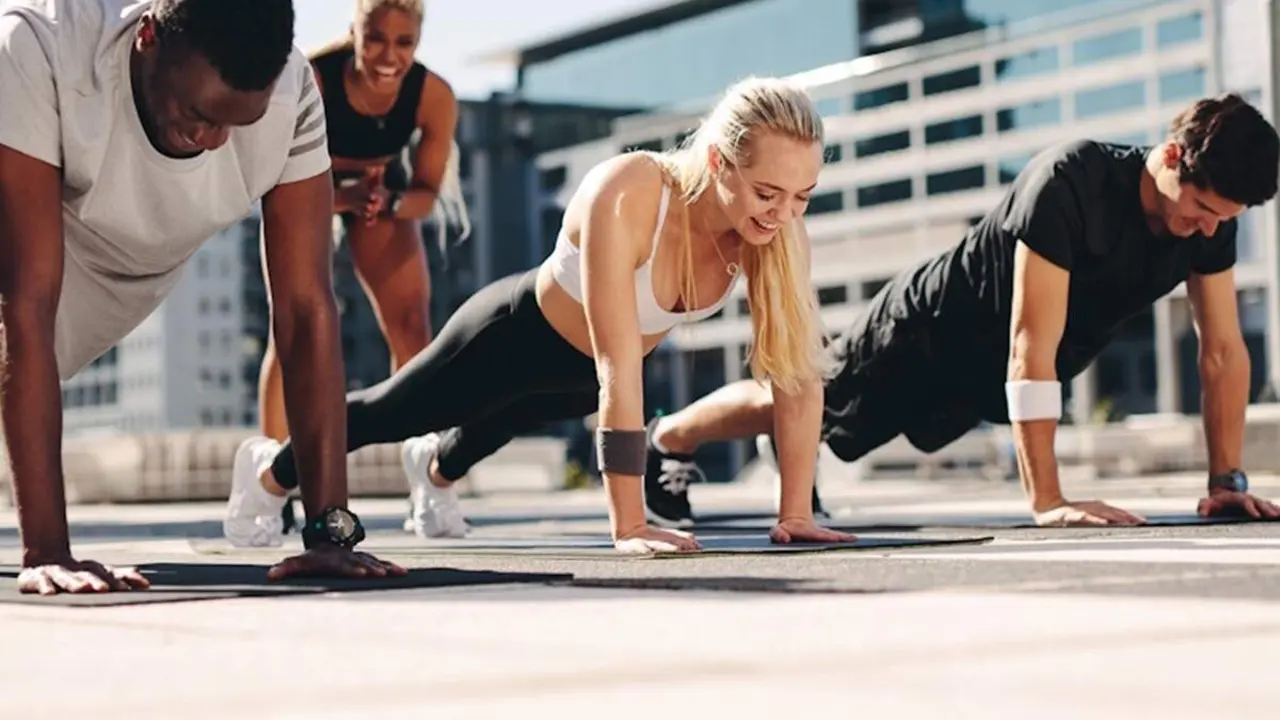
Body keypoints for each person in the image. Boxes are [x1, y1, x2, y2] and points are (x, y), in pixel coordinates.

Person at [223, 76, 858, 553]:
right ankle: (268, 473)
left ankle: (433, 471)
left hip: (582, 383)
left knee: (494, 429)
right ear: (719, 161)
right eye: (767, 192)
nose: (782, 212)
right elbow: (619, 365)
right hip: (514, 336)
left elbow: (798, 375)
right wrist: (629, 525)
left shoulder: (776, 233)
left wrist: (794, 513)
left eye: (802, 196)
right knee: (394, 411)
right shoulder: (632, 192)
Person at [641, 92, 1280, 528]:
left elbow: (1221, 351)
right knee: (816, 401)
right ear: (1172, 157)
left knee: (825, 425)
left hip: (991, 375)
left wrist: (1228, 481)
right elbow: (1032, 339)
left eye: (1221, 221)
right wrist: (1049, 500)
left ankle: (782, 448)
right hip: (928, 331)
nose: (1205, 231)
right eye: (1202, 211)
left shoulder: (1208, 226)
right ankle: (670, 438)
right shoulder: (1072, 182)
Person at [0, 0, 404, 596]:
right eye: (196, 113)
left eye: (233, 123)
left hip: (101, 291)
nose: (212, 140)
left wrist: (329, 532)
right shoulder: (40, 47)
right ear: (147, 40)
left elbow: (305, 309)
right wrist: (48, 550)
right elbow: (26, 301)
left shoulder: (291, 94)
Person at [257, 0, 471, 536]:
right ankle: (271, 483)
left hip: (381, 193)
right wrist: (340, 193)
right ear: (354, 30)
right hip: (304, 185)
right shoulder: (311, 77)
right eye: (375, 39)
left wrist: (387, 205)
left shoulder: (434, 95)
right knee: (291, 333)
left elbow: (424, 192)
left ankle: (429, 477)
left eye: (404, 43)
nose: (388, 56)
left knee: (414, 328)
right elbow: (271, 172)